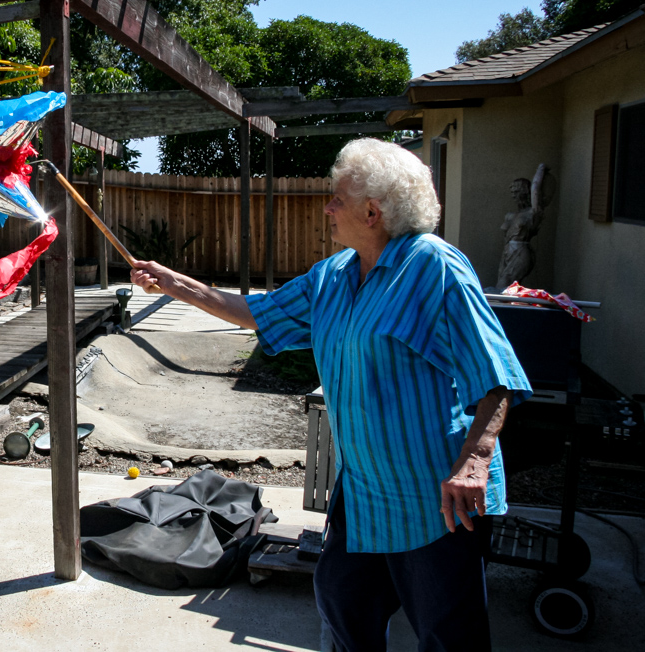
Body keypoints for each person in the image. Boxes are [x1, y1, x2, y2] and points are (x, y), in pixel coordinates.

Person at [131, 138, 532, 651]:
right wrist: (172, 283)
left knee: (448, 633)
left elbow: (497, 374)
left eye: (336, 198)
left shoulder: (433, 267)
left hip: (435, 499)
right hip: (365, 493)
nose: (327, 208)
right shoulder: (334, 276)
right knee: (343, 605)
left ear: (373, 211)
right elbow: (257, 312)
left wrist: (475, 461)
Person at [496, 163, 548, 289]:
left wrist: (540, 169)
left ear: (524, 191)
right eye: (512, 192)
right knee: (502, 286)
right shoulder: (510, 215)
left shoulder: (532, 213)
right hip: (507, 251)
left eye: (516, 191)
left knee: (504, 283)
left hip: (521, 251)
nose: (513, 195)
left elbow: (535, 188)